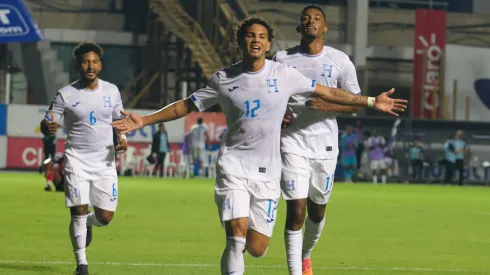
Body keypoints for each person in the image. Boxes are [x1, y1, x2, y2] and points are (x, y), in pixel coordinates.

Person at [112, 17, 406, 275]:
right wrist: (144, 121)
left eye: (261, 37)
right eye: (250, 36)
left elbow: (328, 91)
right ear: (241, 42)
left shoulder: (284, 74)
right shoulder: (224, 79)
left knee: (257, 247)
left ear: (268, 46)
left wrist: (370, 101)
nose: (256, 40)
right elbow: (186, 106)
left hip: (267, 174)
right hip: (233, 166)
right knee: (236, 237)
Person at [272, 5, 371, 274]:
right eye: (305, 18)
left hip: (325, 146)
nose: (310, 21)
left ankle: (306, 254)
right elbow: (270, 95)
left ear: (324, 28)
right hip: (291, 142)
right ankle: (295, 271)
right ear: (299, 27)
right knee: (296, 211)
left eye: (317, 18)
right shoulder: (281, 59)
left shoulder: (340, 60)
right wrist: (277, 114)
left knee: (317, 212)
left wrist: (330, 107)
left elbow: (354, 103)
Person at [40, 41, 127, 275]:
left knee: (105, 217)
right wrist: (47, 126)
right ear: (78, 64)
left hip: (105, 162)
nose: (91, 66)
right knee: (77, 210)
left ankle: (90, 222)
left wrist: (123, 138)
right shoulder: (66, 94)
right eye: (86, 61)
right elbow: (48, 120)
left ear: (100, 64)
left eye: (95, 61)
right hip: (76, 159)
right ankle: (82, 264)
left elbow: (120, 122)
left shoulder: (112, 91)